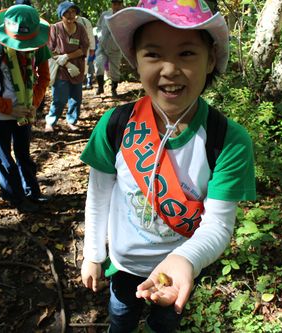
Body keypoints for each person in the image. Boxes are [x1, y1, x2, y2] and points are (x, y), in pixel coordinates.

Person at [80, 0, 256, 332]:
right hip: (123, 265)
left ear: (211, 60)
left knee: (165, 324)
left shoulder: (228, 140)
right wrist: (93, 253)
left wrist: (184, 260)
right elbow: (99, 195)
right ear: (135, 61)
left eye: (187, 53)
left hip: (178, 271)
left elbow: (218, 225)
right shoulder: (116, 124)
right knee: (121, 318)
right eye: (153, 54)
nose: (170, 69)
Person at [0, 4, 51, 213]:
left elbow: (43, 78)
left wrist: (33, 103)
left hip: (25, 109)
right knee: (4, 156)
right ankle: (14, 196)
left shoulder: (39, 44)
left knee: (23, 153)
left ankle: (31, 191)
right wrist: (9, 109)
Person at [44, 1, 89, 133]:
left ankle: (72, 121)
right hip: (61, 69)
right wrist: (65, 61)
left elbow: (84, 48)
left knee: (76, 98)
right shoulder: (55, 28)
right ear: (61, 15)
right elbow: (50, 50)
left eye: (73, 12)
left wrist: (68, 56)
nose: (70, 15)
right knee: (59, 98)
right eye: (67, 12)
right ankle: (50, 121)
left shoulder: (80, 28)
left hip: (77, 70)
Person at [94, 0, 124, 97]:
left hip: (115, 47)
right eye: (114, 4)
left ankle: (114, 90)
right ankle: (100, 87)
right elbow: (98, 27)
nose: (116, 6)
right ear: (112, 4)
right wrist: (99, 36)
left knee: (115, 70)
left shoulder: (124, 16)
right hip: (102, 46)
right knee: (98, 64)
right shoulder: (105, 14)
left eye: (118, 4)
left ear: (121, 4)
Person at [76, 14, 96, 90]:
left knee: (82, 68)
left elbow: (90, 35)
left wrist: (92, 48)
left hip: (83, 50)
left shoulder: (85, 21)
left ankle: (78, 87)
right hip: (69, 50)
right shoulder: (62, 22)